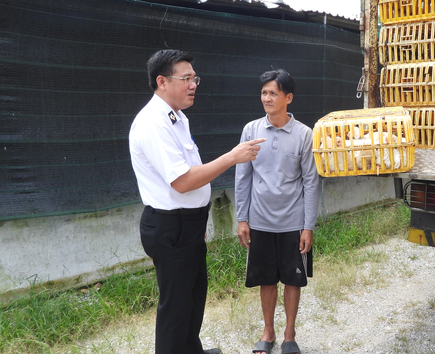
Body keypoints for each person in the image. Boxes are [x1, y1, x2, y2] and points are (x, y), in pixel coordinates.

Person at [129, 49, 265, 354]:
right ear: (162, 81)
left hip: (186, 222)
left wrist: (197, 219)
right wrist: (232, 157)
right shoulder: (153, 123)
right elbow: (183, 181)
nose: (193, 85)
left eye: (195, 78)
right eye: (186, 78)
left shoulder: (177, 118)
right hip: (170, 224)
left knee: (192, 297)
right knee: (176, 308)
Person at [235, 69, 320, 354]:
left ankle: (289, 335)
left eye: (273, 93)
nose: (267, 98)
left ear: (288, 98)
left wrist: (308, 226)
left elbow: (311, 181)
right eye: (264, 93)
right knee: (266, 278)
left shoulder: (304, 134)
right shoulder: (251, 130)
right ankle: (268, 331)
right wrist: (242, 218)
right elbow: (242, 176)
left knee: (292, 279)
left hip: (293, 223)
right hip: (259, 221)